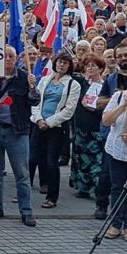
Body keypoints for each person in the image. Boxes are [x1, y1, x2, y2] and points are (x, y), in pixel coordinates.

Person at [0, 46, 39, 227]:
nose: (7, 59)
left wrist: (33, 88)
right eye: (4, 56)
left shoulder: (24, 77)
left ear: (17, 58)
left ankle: (26, 210)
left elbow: (34, 101)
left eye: (11, 56)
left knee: (21, 173)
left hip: (17, 130)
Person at [30, 53, 81, 209]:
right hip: (38, 124)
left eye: (66, 63)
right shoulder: (45, 80)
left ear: (69, 66)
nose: (62, 65)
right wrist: (39, 119)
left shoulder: (73, 85)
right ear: (55, 63)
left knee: (52, 162)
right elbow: (35, 101)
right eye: (60, 62)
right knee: (31, 158)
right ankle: (23, 192)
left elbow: (69, 110)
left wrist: (49, 122)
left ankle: (52, 197)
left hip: (56, 128)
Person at [101, 75, 127, 242]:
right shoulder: (118, 97)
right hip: (116, 149)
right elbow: (106, 120)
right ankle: (115, 224)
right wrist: (123, 106)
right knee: (117, 187)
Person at [70, 54, 105, 199]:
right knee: (80, 157)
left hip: (95, 126)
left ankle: (98, 188)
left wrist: (95, 108)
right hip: (80, 126)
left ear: (101, 69)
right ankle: (82, 187)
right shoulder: (81, 83)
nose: (90, 68)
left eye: (93, 65)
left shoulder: (104, 86)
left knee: (96, 159)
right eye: (88, 65)